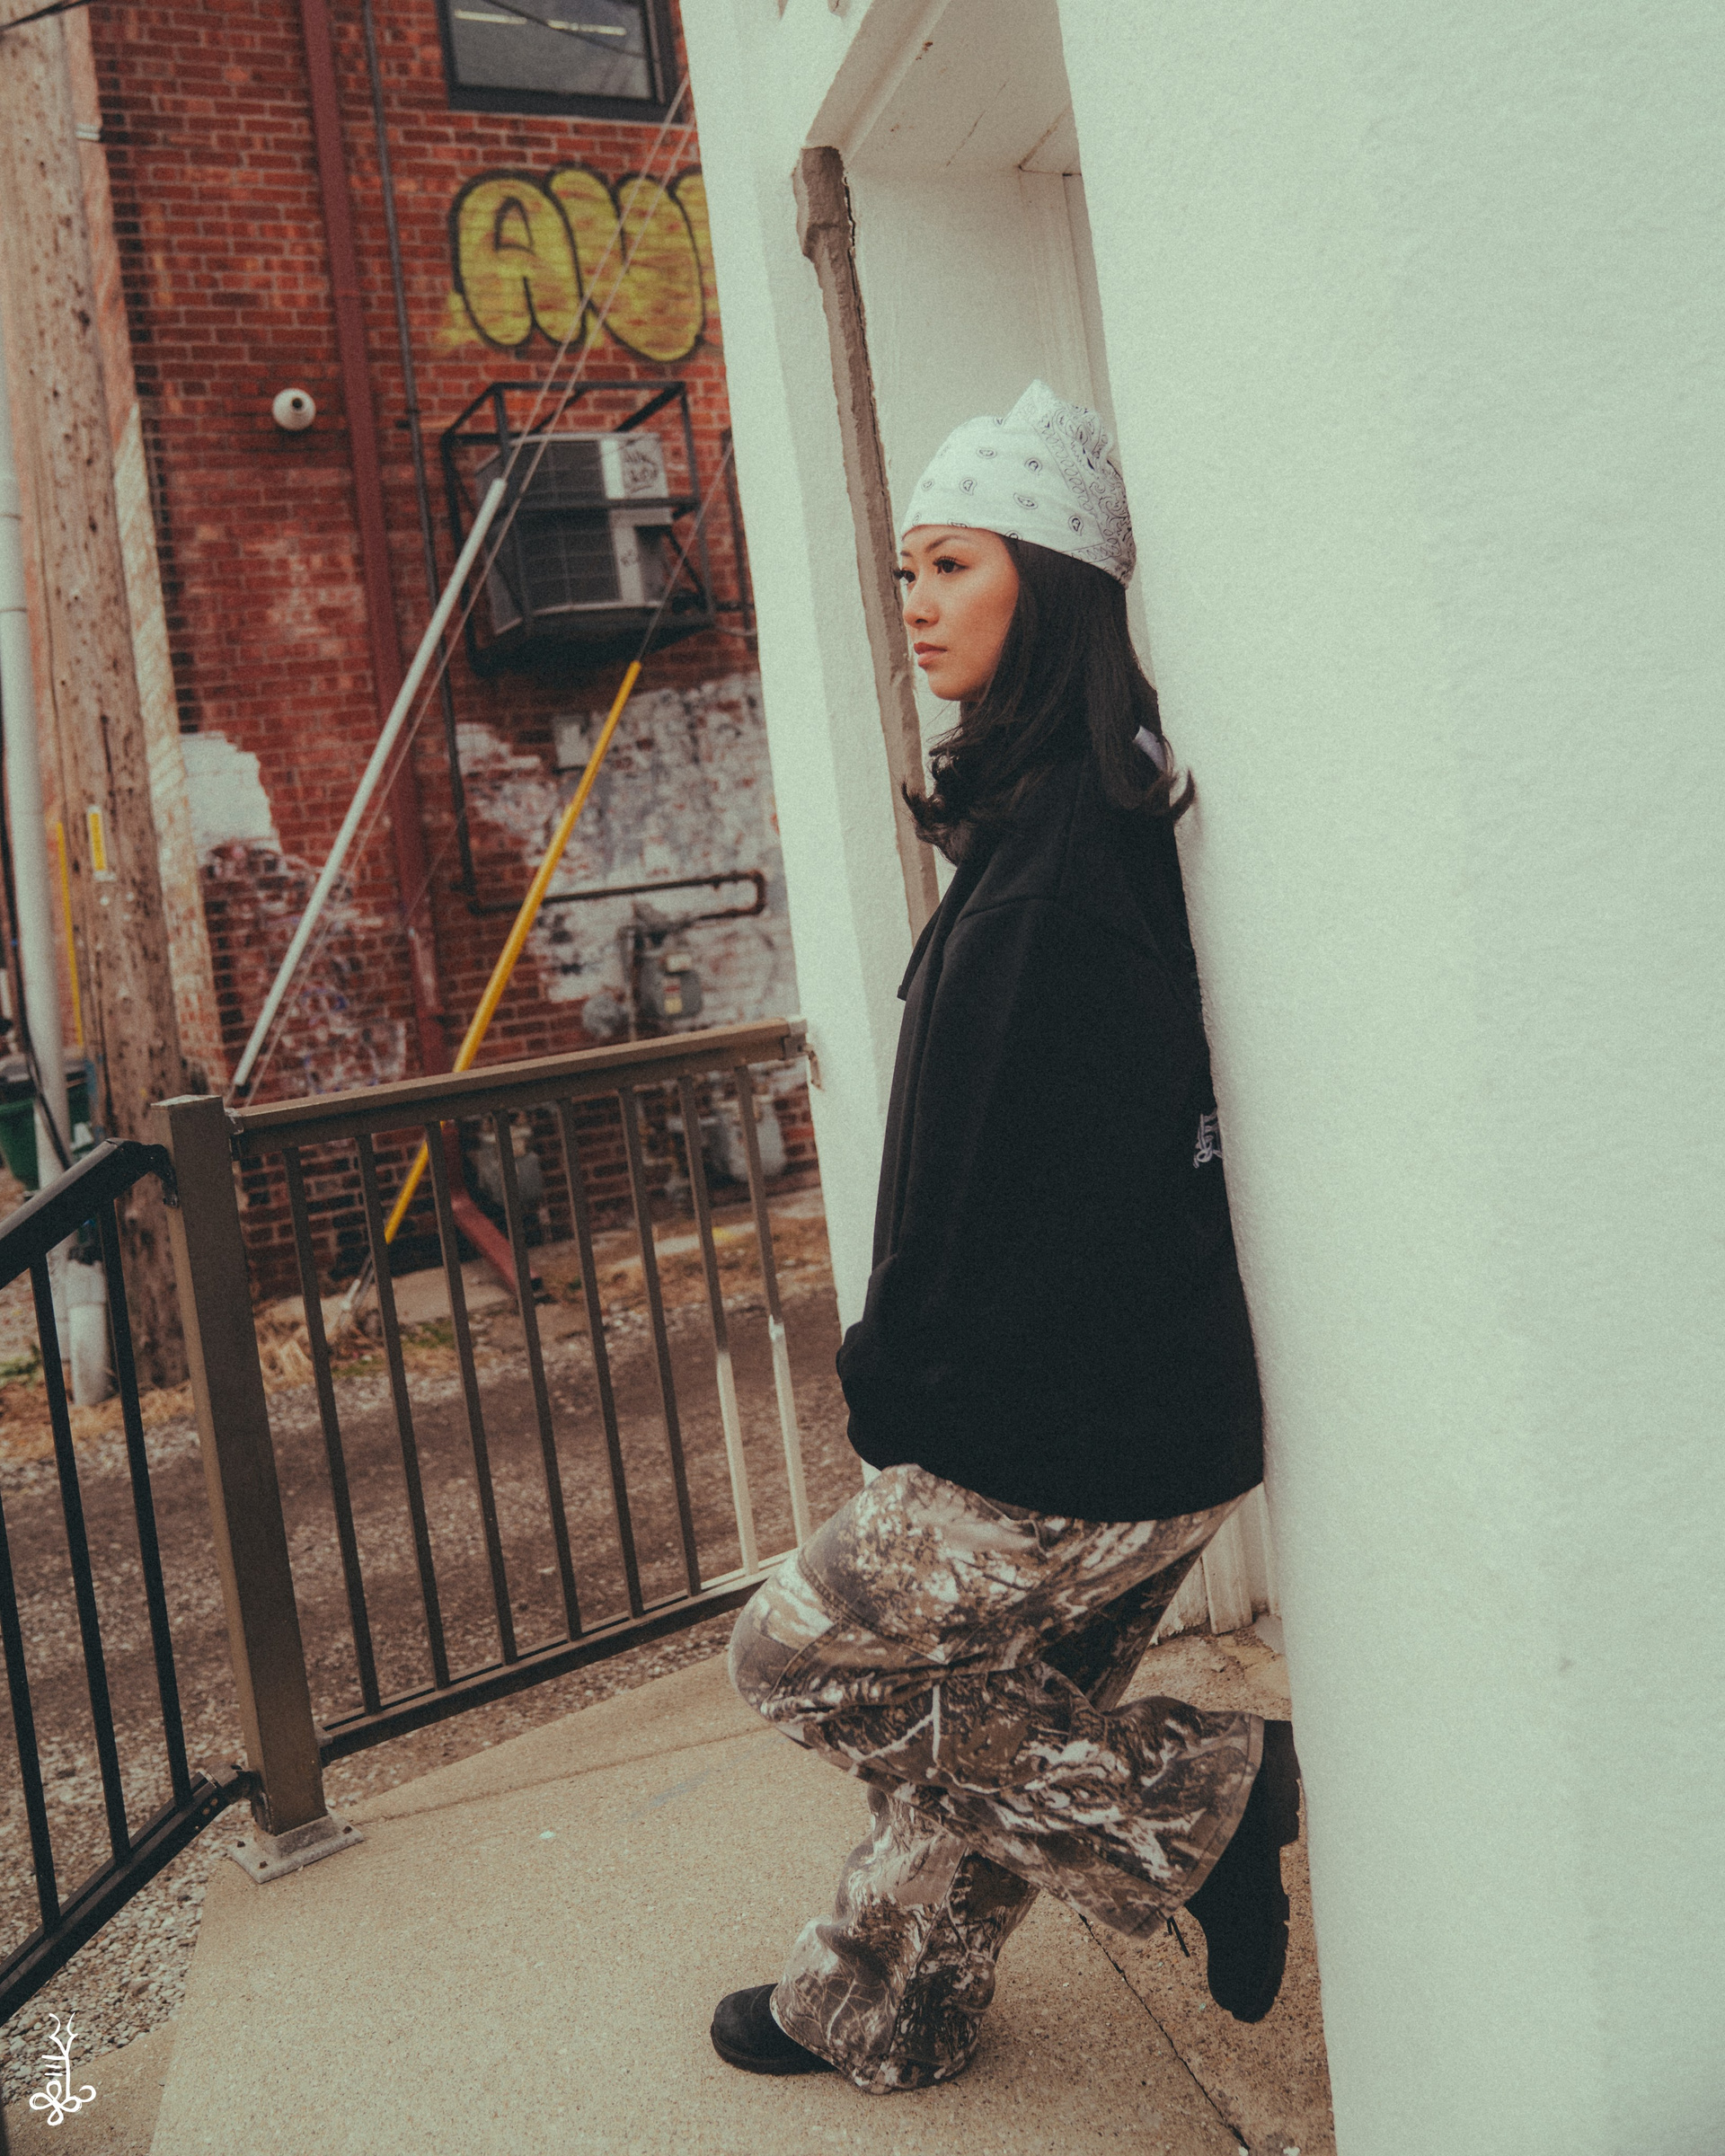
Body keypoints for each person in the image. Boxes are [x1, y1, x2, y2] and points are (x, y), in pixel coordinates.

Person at [710, 381, 1297, 2094]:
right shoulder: (1060, 814)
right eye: (907, 569)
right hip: (1137, 1419)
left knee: (801, 1659)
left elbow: (1031, 1195)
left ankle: (1206, 1808)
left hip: (1085, 1438)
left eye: (952, 564)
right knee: (980, 1721)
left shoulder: (1062, 869)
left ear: (1053, 583)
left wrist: (905, 1385)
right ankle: (880, 2002)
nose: (914, 603)